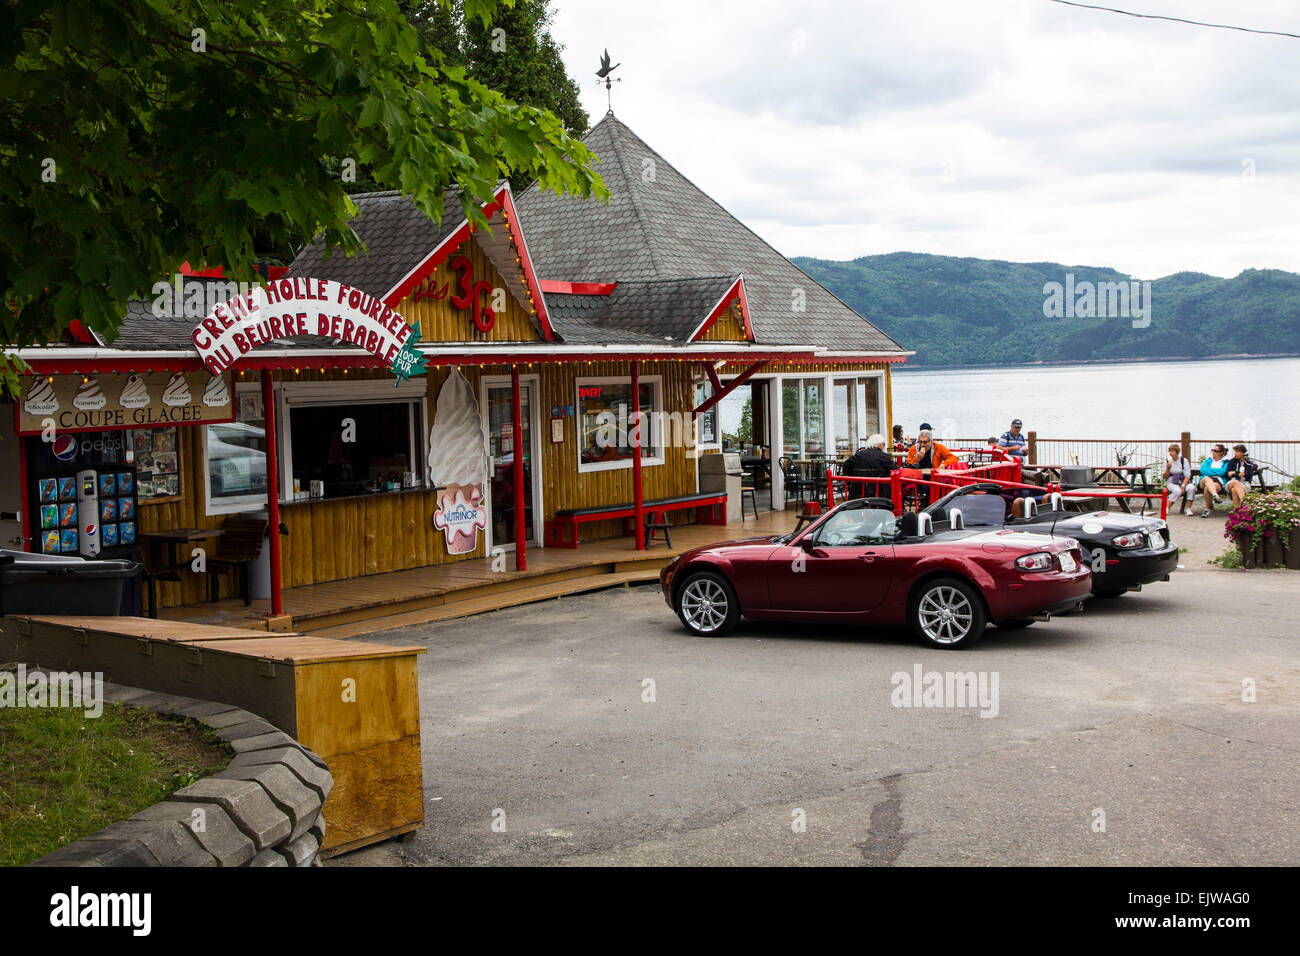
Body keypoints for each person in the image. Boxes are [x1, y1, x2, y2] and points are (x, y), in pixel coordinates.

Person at [844, 433, 898, 498]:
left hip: (858, 493)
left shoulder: (858, 455)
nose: (884, 446)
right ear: (880, 444)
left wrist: (855, 476)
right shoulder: (884, 456)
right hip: (880, 494)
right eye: (884, 444)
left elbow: (846, 467)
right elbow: (895, 470)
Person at [1196, 443, 1231, 517]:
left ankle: (1207, 510)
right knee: (1207, 479)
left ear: (1221, 453)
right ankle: (1215, 495)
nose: (1213, 452)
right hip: (1204, 480)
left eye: (1215, 451)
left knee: (1208, 488)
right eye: (1212, 450)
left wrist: (1210, 470)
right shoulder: (1207, 460)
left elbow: (1223, 472)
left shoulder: (1226, 462)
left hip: (1218, 481)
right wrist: (1216, 472)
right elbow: (1203, 470)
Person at [1223, 444, 1261, 508]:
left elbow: (1249, 475)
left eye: (1237, 452)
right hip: (1231, 482)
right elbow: (1228, 474)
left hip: (1244, 484)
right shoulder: (1232, 461)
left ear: (1243, 453)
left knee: (1234, 490)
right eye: (1235, 452)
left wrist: (1235, 473)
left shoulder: (1248, 463)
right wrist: (1238, 474)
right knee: (1235, 482)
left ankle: (1238, 511)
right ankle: (1244, 501)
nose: (1235, 454)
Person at [1161, 443, 1194, 515]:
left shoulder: (1183, 460)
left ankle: (1188, 508)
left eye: (1172, 451)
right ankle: (1166, 508)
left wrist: (1183, 486)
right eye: (1169, 451)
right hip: (1172, 481)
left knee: (1191, 488)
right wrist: (1168, 468)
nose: (1170, 453)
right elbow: (1164, 477)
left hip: (1183, 480)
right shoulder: (1167, 462)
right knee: (1177, 491)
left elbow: (1187, 475)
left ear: (1177, 452)